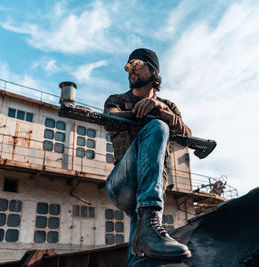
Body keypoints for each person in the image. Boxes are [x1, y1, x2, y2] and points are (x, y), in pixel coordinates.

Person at [104, 48, 192, 266]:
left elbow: (186, 136)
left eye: (136, 65)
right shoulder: (117, 100)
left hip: (151, 188)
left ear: (153, 71)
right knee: (157, 127)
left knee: (143, 235)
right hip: (122, 183)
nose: (130, 70)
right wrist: (155, 114)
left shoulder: (169, 106)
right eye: (127, 66)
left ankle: (138, 255)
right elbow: (110, 119)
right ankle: (150, 221)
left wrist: (161, 107)